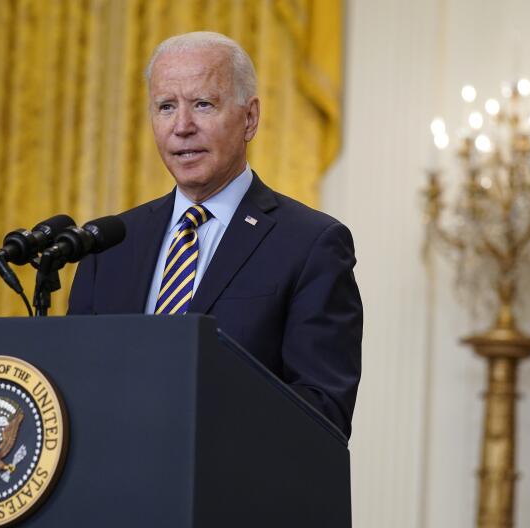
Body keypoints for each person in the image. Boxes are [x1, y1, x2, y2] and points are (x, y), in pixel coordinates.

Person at [68, 31, 363, 437]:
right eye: (166, 107)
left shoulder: (311, 244)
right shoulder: (108, 244)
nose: (182, 126)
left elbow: (322, 410)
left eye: (203, 104)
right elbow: (72, 385)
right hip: (116, 489)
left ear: (250, 118)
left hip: (232, 490)